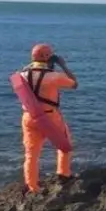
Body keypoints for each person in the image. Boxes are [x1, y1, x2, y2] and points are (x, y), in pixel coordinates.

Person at [19, 43, 78, 193]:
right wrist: (63, 65)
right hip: (50, 116)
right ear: (48, 57)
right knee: (65, 146)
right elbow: (74, 84)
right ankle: (63, 174)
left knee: (31, 154)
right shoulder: (53, 76)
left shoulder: (22, 75)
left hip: (29, 116)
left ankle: (32, 186)